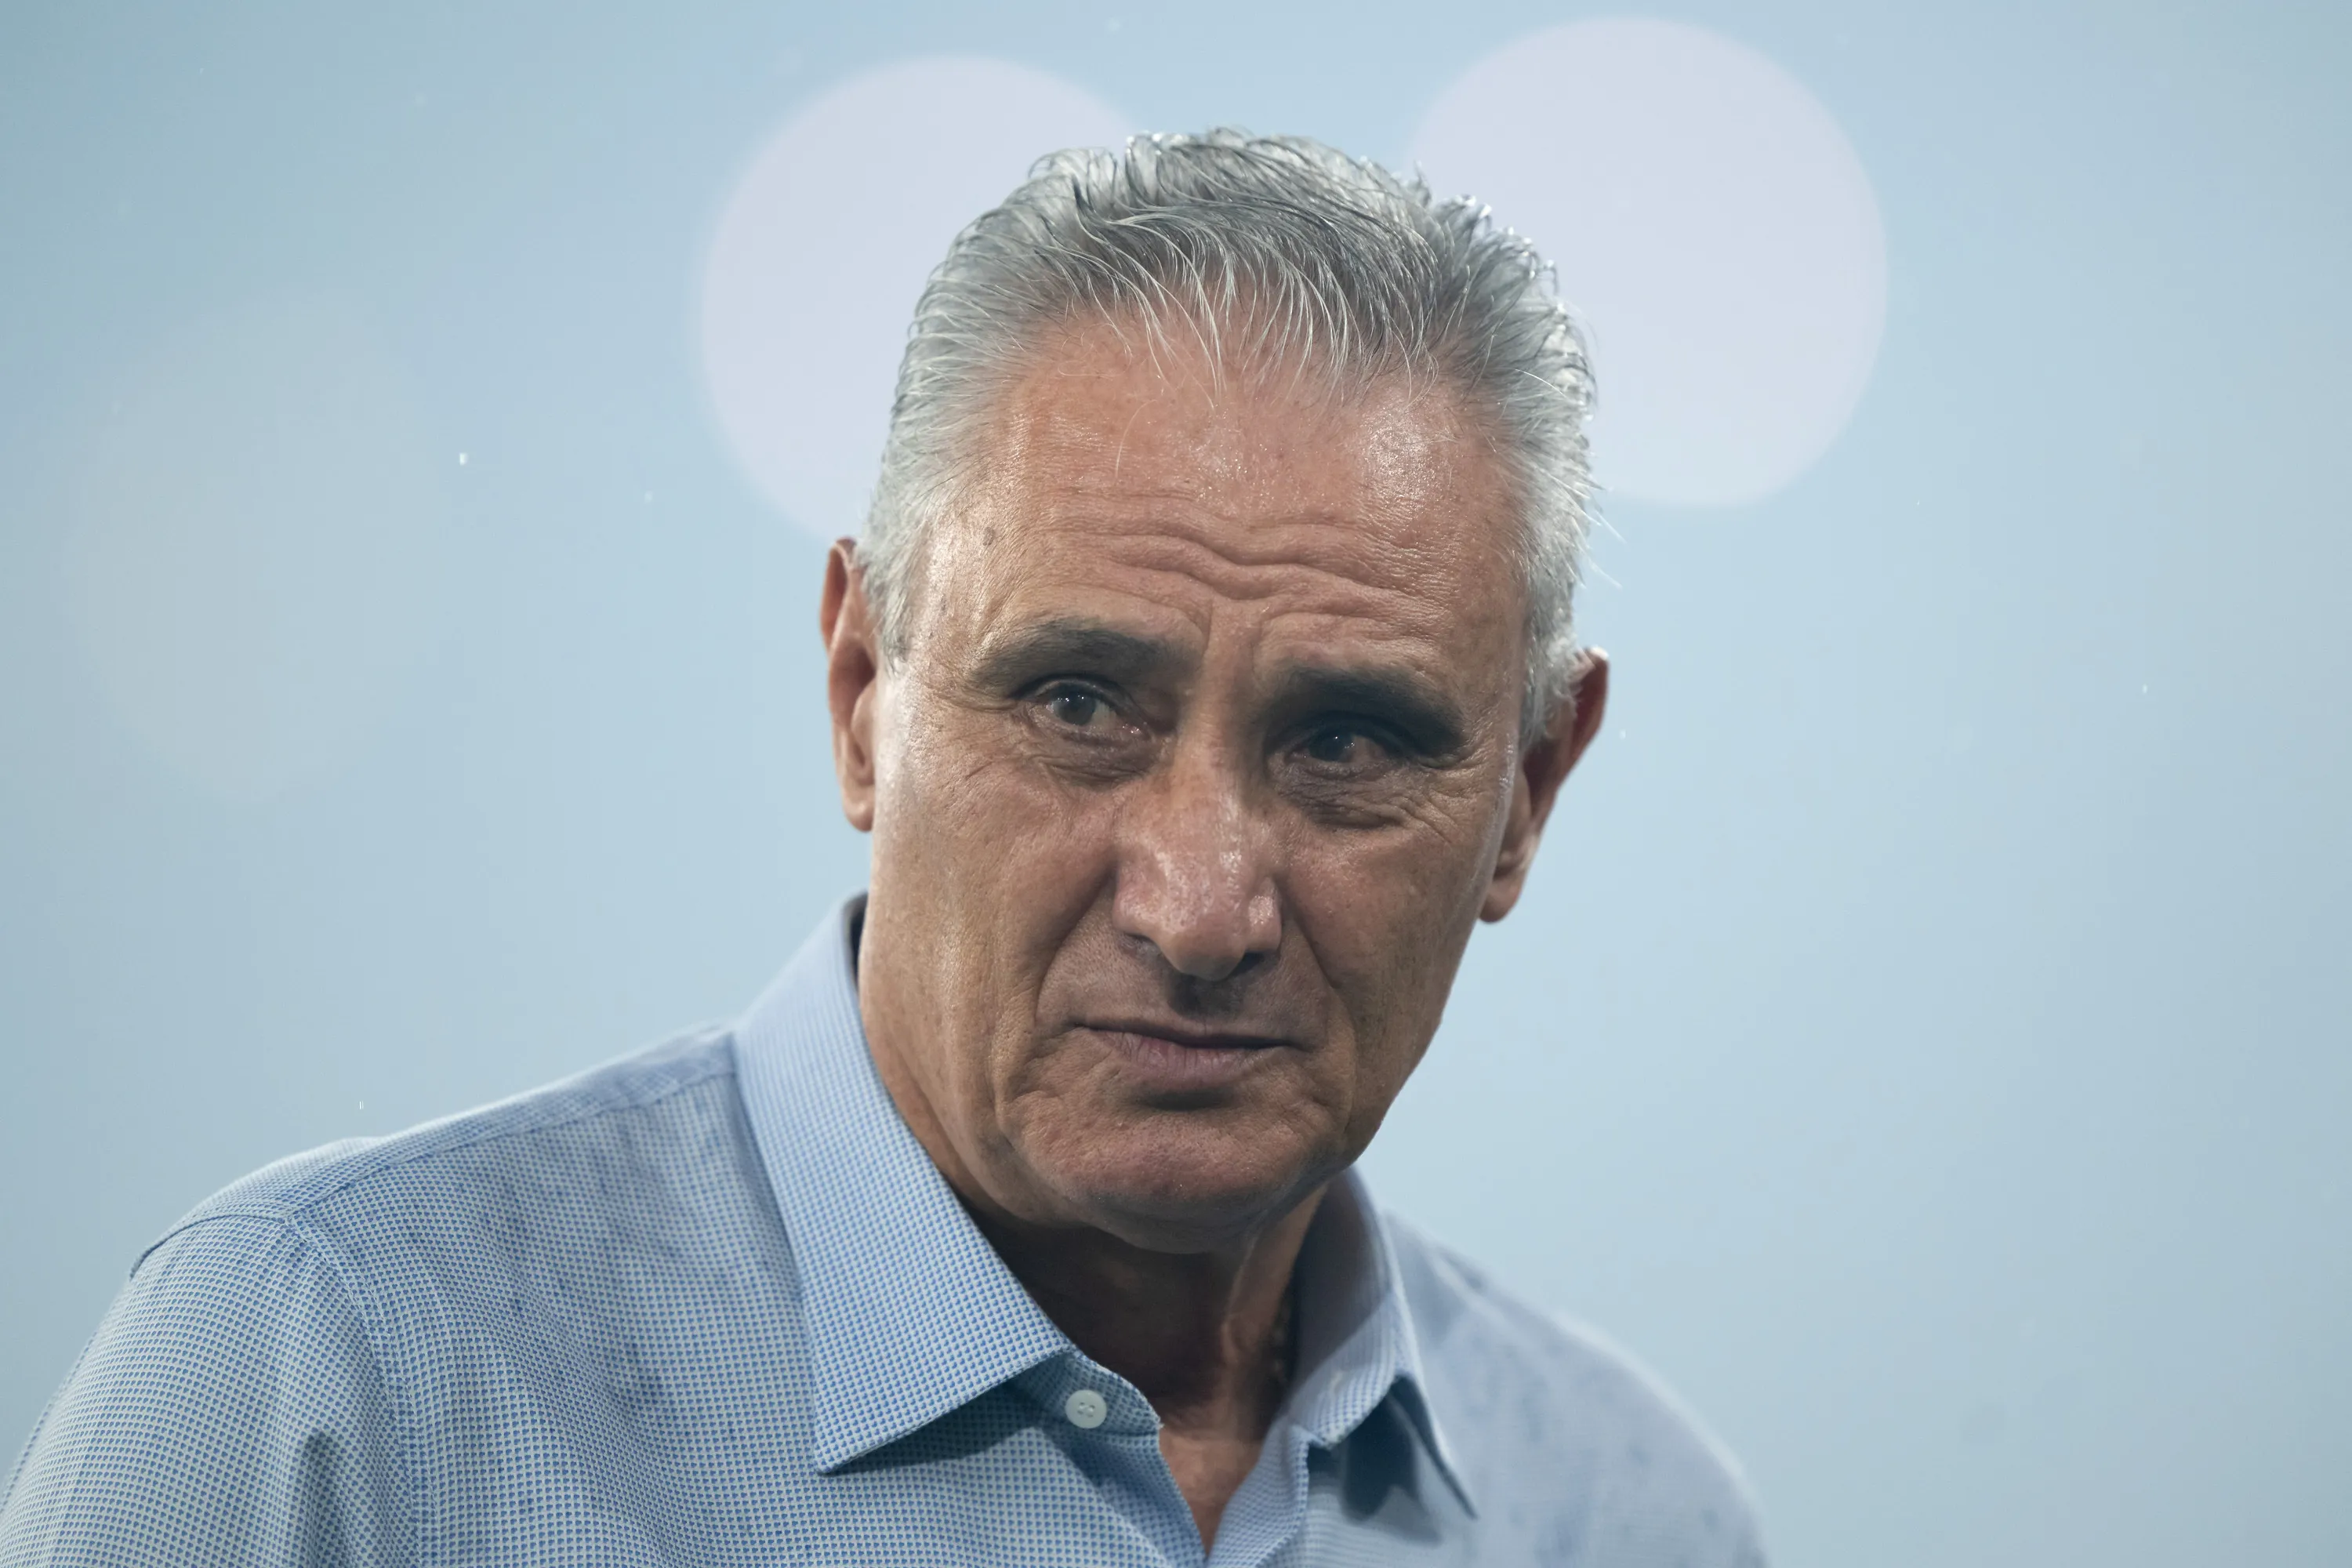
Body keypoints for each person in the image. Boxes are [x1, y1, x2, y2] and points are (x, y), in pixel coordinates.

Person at [2, 131, 1765, 1566]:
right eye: (1079, 703)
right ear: (862, 693)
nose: (1201, 906)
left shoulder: (1635, 1515)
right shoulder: (330, 1379)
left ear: (1531, 789)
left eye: (1350, 743)